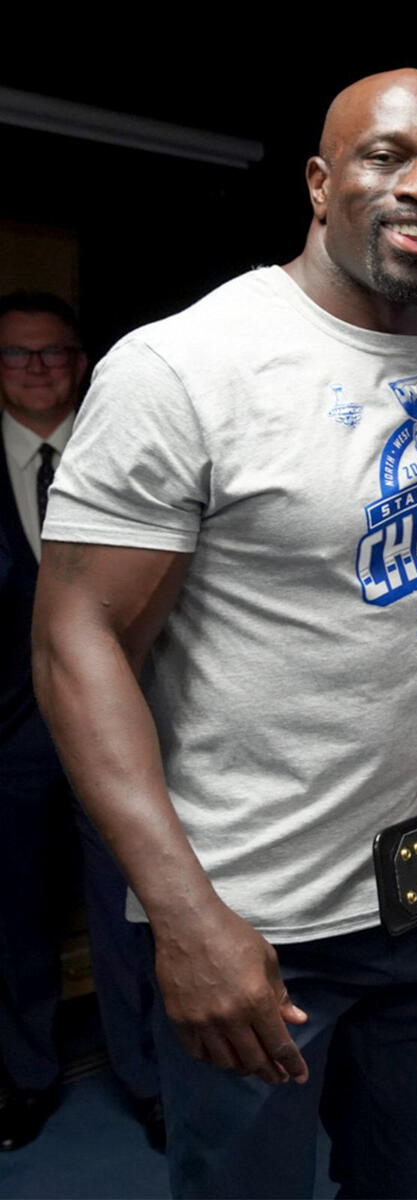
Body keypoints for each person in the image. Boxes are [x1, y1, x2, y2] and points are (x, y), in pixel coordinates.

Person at [33, 70, 417, 1199]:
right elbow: (74, 645)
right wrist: (183, 917)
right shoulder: (187, 364)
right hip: (253, 920)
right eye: (384, 157)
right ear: (321, 185)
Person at [0, 291, 161, 1152]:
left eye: (52, 353)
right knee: (13, 914)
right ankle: (25, 1079)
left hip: (115, 719)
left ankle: (146, 1079)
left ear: (81, 362)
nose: (35, 369)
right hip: (10, 740)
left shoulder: (123, 451)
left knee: (128, 906)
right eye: (16, 355)